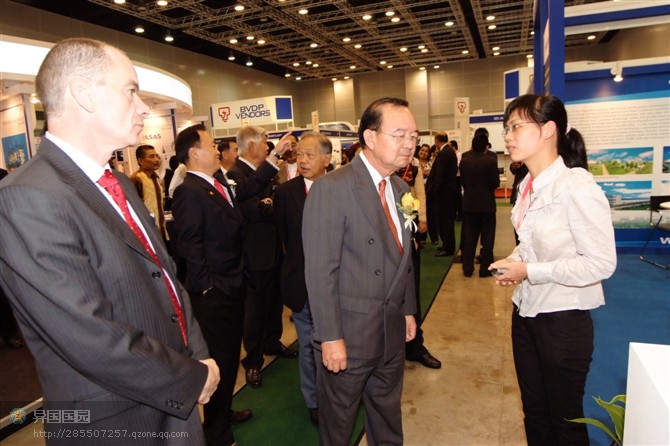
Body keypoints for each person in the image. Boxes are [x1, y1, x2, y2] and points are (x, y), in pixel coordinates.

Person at [0, 38, 218, 444]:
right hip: (111, 421)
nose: (142, 107)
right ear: (82, 93)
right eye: (130, 90)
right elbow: (87, 333)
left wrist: (198, 353)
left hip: (169, 404)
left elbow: (165, 277)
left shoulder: (116, 182)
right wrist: (192, 376)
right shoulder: (27, 197)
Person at [490, 94, 617, 446]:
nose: (508, 136)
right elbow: (530, 241)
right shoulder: (526, 186)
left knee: (565, 421)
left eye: (516, 126)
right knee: (534, 412)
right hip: (525, 313)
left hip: (563, 321)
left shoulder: (576, 186)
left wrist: (529, 270)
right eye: (507, 128)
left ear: (548, 130)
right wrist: (514, 263)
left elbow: (601, 263)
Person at [303, 97, 418, 445]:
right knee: (338, 426)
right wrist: (330, 336)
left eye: (413, 136)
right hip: (349, 337)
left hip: (391, 330)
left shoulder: (400, 188)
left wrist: (409, 310)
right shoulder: (332, 188)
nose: (409, 144)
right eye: (399, 135)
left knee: (387, 418)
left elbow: (405, 260)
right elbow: (321, 271)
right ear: (370, 137)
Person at [171, 124, 252, 446]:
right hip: (215, 294)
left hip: (232, 285)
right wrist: (207, 288)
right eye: (211, 144)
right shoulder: (188, 191)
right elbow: (189, 245)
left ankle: (223, 411)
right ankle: (216, 432)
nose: (218, 150)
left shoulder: (216, 183)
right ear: (194, 152)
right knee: (218, 358)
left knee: (230, 356)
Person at [227, 126, 298, 389]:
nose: (268, 147)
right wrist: (268, 203)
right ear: (251, 145)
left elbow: (274, 202)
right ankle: (253, 360)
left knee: (274, 302)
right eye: (265, 142)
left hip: (274, 248)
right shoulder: (235, 174)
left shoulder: (262, 174)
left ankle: (272, 341)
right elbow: (255, 210)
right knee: (254, 310)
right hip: (254, 254)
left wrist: (269, 202)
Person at [274, 131, 333, 426]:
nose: (304, 160)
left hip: (336, 286)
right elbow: (285, 239)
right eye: (300, 155)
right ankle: (314, 400)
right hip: (301, 285)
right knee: (308, 347)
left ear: (328, 158)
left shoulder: (342, 188)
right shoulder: (285, 194)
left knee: (336, 342)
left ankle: (337, 395)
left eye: (311, 155)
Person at [395, 163, 442, 369]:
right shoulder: (359, 177)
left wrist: (416, 226)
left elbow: (417, 197)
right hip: (374, 252)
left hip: (406, 245)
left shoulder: (408, 174)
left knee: (411, 295)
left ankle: (414, 346)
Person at [459, 134, 500, 277]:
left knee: (470, 238)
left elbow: (462, 181)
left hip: (469, 204)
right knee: (487, 240)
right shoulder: (490, 161)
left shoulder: (464, 161)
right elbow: (495, 183)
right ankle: (485, 269)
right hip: (487, 204)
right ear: (485, 146)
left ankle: (467, 268)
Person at [425, 131, 458, 256]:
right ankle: (446, 245)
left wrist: (435, 191)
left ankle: (448, 248)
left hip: (443, 194)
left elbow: (440, 175)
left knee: (445, 221)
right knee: (445, 221)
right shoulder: (448, 152)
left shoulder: (444, 153)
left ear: (437, 140)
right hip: (447, 193)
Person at [130, 144, 168, 241]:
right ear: (141, 161)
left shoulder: (155, 178)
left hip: (160, 230)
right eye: (151, 157)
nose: (156, 160)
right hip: (147, 233)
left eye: (156, 156)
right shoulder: (137, 178)